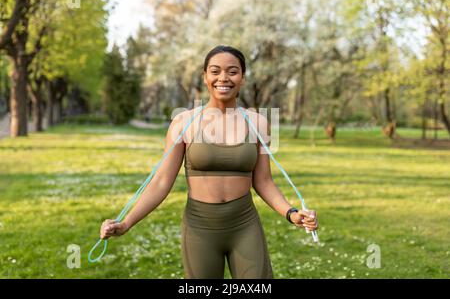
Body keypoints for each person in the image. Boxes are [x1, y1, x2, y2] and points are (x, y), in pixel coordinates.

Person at [99, 45, 318, 279]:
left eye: (232, 71)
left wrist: (291, 213)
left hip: (245, 225)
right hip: (199, 228)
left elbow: (263, 181)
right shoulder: (183, 122)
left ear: (242, 77)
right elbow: (161, 182)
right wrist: (126, 223)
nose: (223, 78)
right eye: (215, 71)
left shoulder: (259, 123)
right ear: (205, 77)